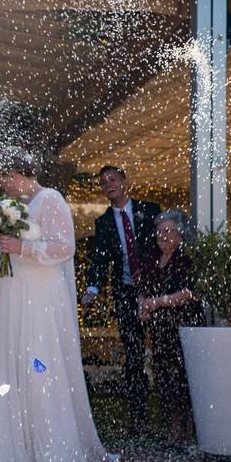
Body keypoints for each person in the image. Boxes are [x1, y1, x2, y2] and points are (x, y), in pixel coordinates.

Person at [0, 147, 107, 462]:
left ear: (16, 174)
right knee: (8, 361)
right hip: (8, 296)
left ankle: (46, 446)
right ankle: (9, 445)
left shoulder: (50, 199)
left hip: (37, 299)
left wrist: (23, 248)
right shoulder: (5, 207)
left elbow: (64, 247)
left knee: (36, 363)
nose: (1, 184)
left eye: (3, 177)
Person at [82, 165, 161, 429]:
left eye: (113, 179)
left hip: (155, 290)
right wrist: (92, 287)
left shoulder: (149, 211)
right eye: (104, 183)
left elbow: (161, 247)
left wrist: (154, 285)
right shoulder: (103, 222)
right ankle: (138, 416)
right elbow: (100, 259)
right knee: (134, 353)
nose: (109, 185)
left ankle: (173, 414)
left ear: (125, 181)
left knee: (163, 351)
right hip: (125, 292)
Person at [135, 210, 203, 445]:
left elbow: (191, 292)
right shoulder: (152, 258)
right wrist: (142, 306)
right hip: (160, 329)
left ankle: (190, 433)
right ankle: (174, 431)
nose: (161, 235)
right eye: (159, 230)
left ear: (180, 233)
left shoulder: (188, 257)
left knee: (184, 378)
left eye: (167, 230)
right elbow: (142, 288)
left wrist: (159, 302)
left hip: (183, 326)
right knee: (165, 380)